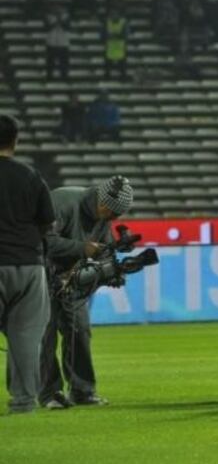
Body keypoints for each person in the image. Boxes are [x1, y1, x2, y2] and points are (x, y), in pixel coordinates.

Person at [40, 175, 134, 409]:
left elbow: (101, 250)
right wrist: (83, 248)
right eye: (112, 213)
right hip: (41, 275)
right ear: (102, 203)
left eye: (117, 216)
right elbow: (43, 241)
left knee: (79, 330)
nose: (113, 219)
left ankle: (82, 391)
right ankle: (50, 394)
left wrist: (111, 265)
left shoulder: (103, 215)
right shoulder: (61, 202)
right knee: (46, 335)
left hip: (71, 279)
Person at [0, 115, 55, 414]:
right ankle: (23, 402)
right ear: (16, 140)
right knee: (25, 337)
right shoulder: (31, 176)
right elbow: (48, 222)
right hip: (29, 265)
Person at [102, 7, 129, 80]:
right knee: (108, 63)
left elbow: (125, 34)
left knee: (122, 63)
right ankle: (107, 76)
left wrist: (115, 35)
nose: (113, 16)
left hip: (120, 45)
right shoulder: (107, 22)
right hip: (110, 45)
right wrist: (107, 37)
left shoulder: (123, 22)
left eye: (115, 14)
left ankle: (123, 76)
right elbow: (103, 34)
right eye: (112, 14)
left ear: (119, 15)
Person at [45, 7, 71, 80]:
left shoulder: (66, 18)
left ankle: (64, 77)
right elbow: (46, 28)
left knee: (64, 64)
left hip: (63, 43)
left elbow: (67, 28)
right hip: (51, 43)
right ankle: (49, 78)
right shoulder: (48, 17)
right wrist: (55, 22)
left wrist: (61, 20)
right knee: (50, 64)